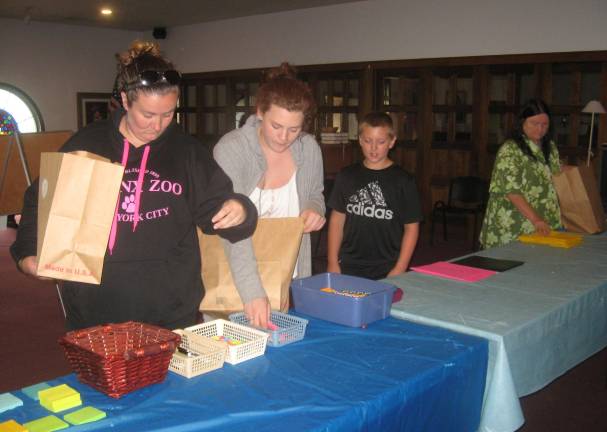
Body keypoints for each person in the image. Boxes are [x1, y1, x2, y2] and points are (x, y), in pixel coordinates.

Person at [10, 41, 258, 330]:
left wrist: (241, 208)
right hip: (94, 308)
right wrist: (27, 255)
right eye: (148, 115)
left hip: (170, 309)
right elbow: (39, 201)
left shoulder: (188, 153)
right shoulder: (88, 143)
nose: (158, 125)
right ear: (125, 101)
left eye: (168, 114)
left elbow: (222, 212)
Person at [213, 62, 326, 326]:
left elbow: (315, 195)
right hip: (236, 270)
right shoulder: (232, 149)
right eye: (276, 126)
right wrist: (252, 292)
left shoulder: (309, 149)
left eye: (294, 129)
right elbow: (232, 228)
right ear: (260, 112)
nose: (284, 137)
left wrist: (314, 210)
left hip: (285, 272)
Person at [327, 112, 421, 280]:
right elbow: (337, 220)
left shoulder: (404, 181)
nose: (373, 148)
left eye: (381, 142)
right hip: (349, 263)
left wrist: (401, 267)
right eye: (368, 141)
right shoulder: (347, 176)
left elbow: (411, 227)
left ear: (392, 142)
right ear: (360, 140)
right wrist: (332, 261)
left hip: (387, 265)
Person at [479, 98, 562, 249]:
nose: (540, 129)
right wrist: (536, 219)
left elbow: (558, 176)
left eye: (545, 124)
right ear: (522, 122)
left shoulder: (550, 147)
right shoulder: (510, 150)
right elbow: (511, 191)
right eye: (534, 123)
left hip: (545, 219)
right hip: (515, 222)